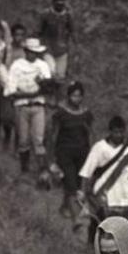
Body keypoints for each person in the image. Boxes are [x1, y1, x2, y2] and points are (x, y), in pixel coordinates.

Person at [79, 115, 128, 247]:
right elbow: (87, 171)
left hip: (124, 191)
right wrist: (83, 192)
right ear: (110, 131)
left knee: (126, 222)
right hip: (104, 190)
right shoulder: (99, 147)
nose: (118, 135)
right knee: (100, 221)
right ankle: (93, 245)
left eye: (121, 132)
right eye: (115, 132)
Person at [5, 37, 53, 174]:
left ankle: (42, 172)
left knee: (39, 139)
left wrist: (38, 89)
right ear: (25, 51)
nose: (33, 55)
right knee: (23, 139)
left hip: (38, 106)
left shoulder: (43, 65)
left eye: (36, 52)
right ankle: (24, 169)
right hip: (22, 106)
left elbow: (47, 88)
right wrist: (32, 93)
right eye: (31, 52)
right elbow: (11, 90)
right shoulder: (17, 65)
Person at [50, 81, 93, 226]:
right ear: (69, 96)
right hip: (65, 152)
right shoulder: (61, 113)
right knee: (71, 183)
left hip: (81, 153)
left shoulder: (86, 113)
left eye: (79, 96)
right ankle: (76, 219)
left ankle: (64, 206)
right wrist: (52, 157)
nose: (77, 99)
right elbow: (53, 134)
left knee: (75, 181)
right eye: (74, 96)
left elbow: (89, 134)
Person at [0, 23, 26, 151]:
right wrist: (2, 83)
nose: (19, 37)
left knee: (20, 119)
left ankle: (17, 147)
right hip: (7, 87)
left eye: (21, 35)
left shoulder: (27, 51)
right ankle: (7, 137)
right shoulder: (6, 50)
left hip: (22, 88)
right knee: (7, 117)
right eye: (16, 34)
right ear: (12, 35)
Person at [39, 0, 74, 81]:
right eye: (57, 3)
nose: (60, 6)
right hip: (48, 49)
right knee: (50, 73)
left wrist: (71, 46)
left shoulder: (68, 16)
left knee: (60, 77)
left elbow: (72, 31)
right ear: (53, 3)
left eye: (62, 3)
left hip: (62, 50)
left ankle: (57, 94)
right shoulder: (46, 15)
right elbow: (39, 31)